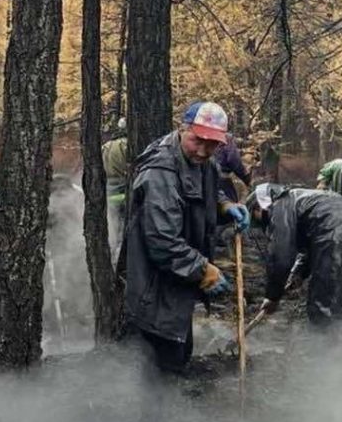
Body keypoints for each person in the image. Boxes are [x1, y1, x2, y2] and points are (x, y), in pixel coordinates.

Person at [124, 101, 249, 373]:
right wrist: (203, 270)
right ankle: (157, 414)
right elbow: (162, 241)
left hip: (179, 284)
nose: (204, 151)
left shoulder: (203, 163)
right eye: (197, 140)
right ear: (183, 129)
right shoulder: (160, 171)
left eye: (212, 144)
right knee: (159, 369)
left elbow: (206, 191)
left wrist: (225, 206)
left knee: (180, 354)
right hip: (155, 289)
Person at [247, 183, 342, 328]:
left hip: (337, 234)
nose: (259, 224)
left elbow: (281, 257)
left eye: (255, 217)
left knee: (327, 303)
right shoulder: (304, 198)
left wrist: (272, 296)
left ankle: (336, 345)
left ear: (259, 207)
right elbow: (310, 244)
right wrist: (298, 273)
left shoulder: (280, 207)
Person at [101, 117, 129, 264]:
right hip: (125, 193)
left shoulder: (105, 147)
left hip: (109, 194)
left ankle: (111, 260)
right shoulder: (128, 146)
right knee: (123, 233)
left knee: (112, 230)